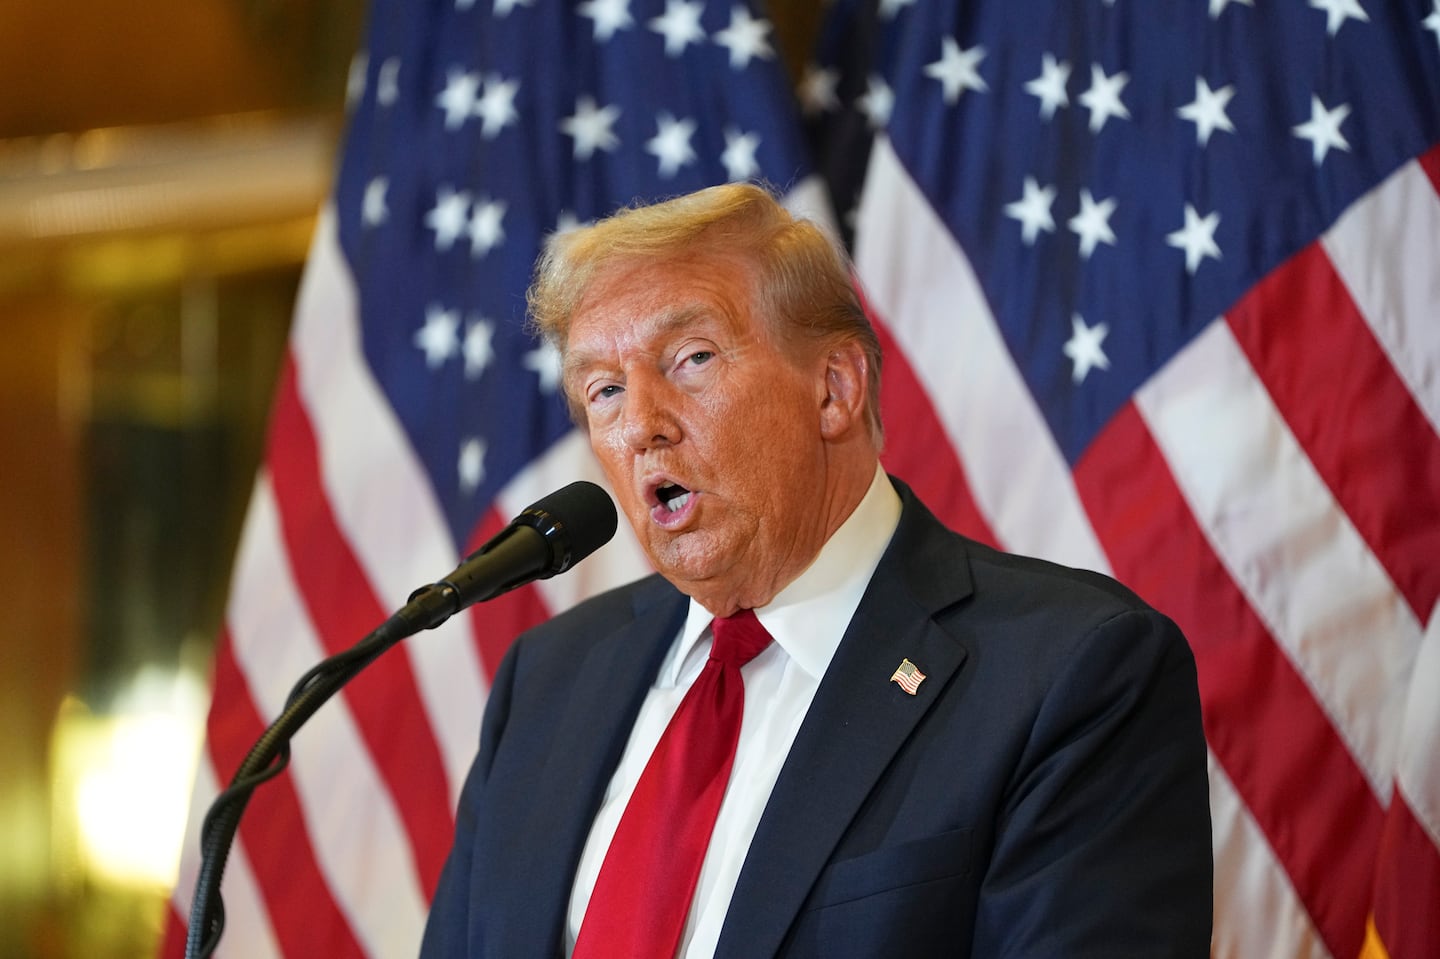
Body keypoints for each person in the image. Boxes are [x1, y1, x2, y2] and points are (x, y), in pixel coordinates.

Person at [420, 183, 1213, 958]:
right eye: (605, 389)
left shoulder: (1069, 672)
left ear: (834, 388)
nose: (640, 426)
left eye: (691, 358)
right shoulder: (549, 680)